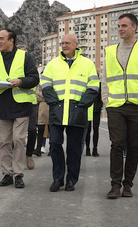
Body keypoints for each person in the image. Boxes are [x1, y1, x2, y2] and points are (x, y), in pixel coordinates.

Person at [101, 13, 138, 199]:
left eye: (124, 26)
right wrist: (106, 101)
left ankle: (128, 185)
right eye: (119, 26)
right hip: (115, 105)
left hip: (137, 106)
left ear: (134, 27)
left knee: (133, 147)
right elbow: (105, 78)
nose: (120, 29)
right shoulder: (110, 51)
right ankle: (115, 185)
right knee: (116, 145)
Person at [0, 28, 39, 189]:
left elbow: (34, 78)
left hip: (21, 105)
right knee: (4, 142)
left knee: (19, 140)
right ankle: (7, 174)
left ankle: (18, 174)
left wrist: (20, 81)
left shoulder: (25, 57)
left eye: (1, 39)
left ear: (11, 40)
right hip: (2, 106)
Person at [41, 34, 99, 192]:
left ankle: (71, 180)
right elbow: (45, 83)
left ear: (76, 44)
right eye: (62, 43)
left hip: (77, 111)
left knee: (74, 149)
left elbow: (94, 86)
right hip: (57, 110)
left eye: (67, 43)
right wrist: (53, 101)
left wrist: (82, 105)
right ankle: (57, 178)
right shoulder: (53, 64)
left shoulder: (87, 64)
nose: (64, 45)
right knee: (54, 145)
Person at [84, 87, 103, 156]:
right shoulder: (87, 84)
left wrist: (100, 105)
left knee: (96, 129)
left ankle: (95, 149)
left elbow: (101, 96)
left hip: (96, 110)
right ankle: (87, 149)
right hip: (88, 109)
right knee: (88, 130)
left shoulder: (99, 84)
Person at [33, 84, 49, 156]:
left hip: (51, 110)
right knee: (40, 130)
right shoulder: (40, 85)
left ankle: (52, 149)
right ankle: (38, 148)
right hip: (41, 111)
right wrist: (45, 97)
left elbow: (51, 95)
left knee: (52, 130)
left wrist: (41, 96)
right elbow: (36, 96)